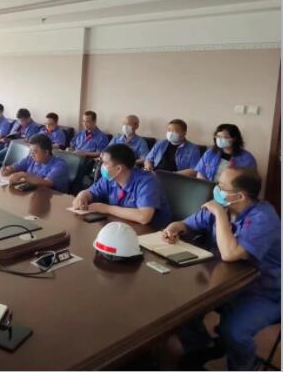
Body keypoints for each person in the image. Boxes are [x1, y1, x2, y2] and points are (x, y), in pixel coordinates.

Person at [162, 167, 280, 370]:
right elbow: (188, 223)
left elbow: (230, 254)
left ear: (240, 196)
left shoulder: (263, 218)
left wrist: (218, 213)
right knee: (181, 309)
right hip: (225, 281)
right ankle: (201, 346)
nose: (216, 189)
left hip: (266, 292)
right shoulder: (225, 207)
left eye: (222, 186)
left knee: (234, 332)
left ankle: (245, 366)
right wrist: (175, 227)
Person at [72, 144, 172, 228]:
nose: (101, 166)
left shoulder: (147, 182)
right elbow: (90, 192)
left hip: (152, 233)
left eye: (105, 163)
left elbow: (144, 217)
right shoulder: (110, 179)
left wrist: (106, 208)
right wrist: (82, 197)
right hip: (122, 226)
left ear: (118, 169)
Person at [1, 133, 69, 193]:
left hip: (53, 199)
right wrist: (8, 170)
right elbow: (15, 167)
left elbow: (46, 183)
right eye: (31, 152)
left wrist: (24, 175)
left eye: (35, 152)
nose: (32, 155)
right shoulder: (31, 158)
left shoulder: (60, 165)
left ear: (46, 152)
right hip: (33, 193)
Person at [192, 124, 257, 182]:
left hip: (231, 190)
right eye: (218, 136)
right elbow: (200, 172)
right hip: (209, 187)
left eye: (225, 137)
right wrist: (207, 186)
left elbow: (249, 182)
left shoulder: (248, 159)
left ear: (234, 138)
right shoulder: (210, 153)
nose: (220, 139)